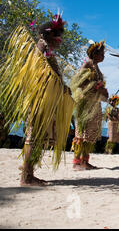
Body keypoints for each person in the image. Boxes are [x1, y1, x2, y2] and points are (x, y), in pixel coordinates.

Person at [0, 15, 74, 185]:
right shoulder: (41, 48)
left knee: (38, 136)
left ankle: (29, 173)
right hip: (40, 99)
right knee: (34, 136)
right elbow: (40, 74)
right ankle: (26, 176)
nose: (60, 39)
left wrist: (62, 87)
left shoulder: (44, 47)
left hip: (44, 98)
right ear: (48, 34)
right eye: (58, 35)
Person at [71, 41, 108, 170]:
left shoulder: (96, 67)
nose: (104, 56)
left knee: (90, 132)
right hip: (86, 102)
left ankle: (84, 160)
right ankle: (77, 161)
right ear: (94, 53)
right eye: (102, 53)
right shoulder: (87, 64)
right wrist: (95, 87)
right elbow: (78, 82)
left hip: (94, 103)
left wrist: (102, 91)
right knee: (83, 131)